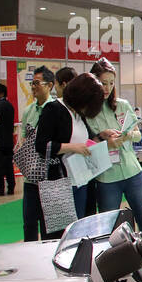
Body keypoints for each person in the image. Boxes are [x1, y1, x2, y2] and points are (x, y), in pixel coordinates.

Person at [88, 59, 142, 282]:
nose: (107, 88)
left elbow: (135, 132)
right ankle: (120, 274)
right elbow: (87, 144)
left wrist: (126, 136)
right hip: (106, 177)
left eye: (111, 83)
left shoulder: (122, 105)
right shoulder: (88, 113)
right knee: (112, 228)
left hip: (132, 171)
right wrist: (102, 137)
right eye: (103, 83)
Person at [34, 72, 103, 239]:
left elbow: (86, 139)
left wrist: (101, 136)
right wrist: (73, 147)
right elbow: (41, 145)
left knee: (80, 233)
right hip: (59, 183)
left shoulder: (79, 114)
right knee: (61, 237)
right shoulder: (53, 110)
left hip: (80, 180)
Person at [19, 66, 55, 241]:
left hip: (51, 177)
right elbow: (24, 139)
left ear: (49, 85)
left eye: (36, 83)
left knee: (49, 226)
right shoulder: (28, 111)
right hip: (31, 178)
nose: (33, 87)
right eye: (31, 83)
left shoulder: (57, 109)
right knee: (29, 223)